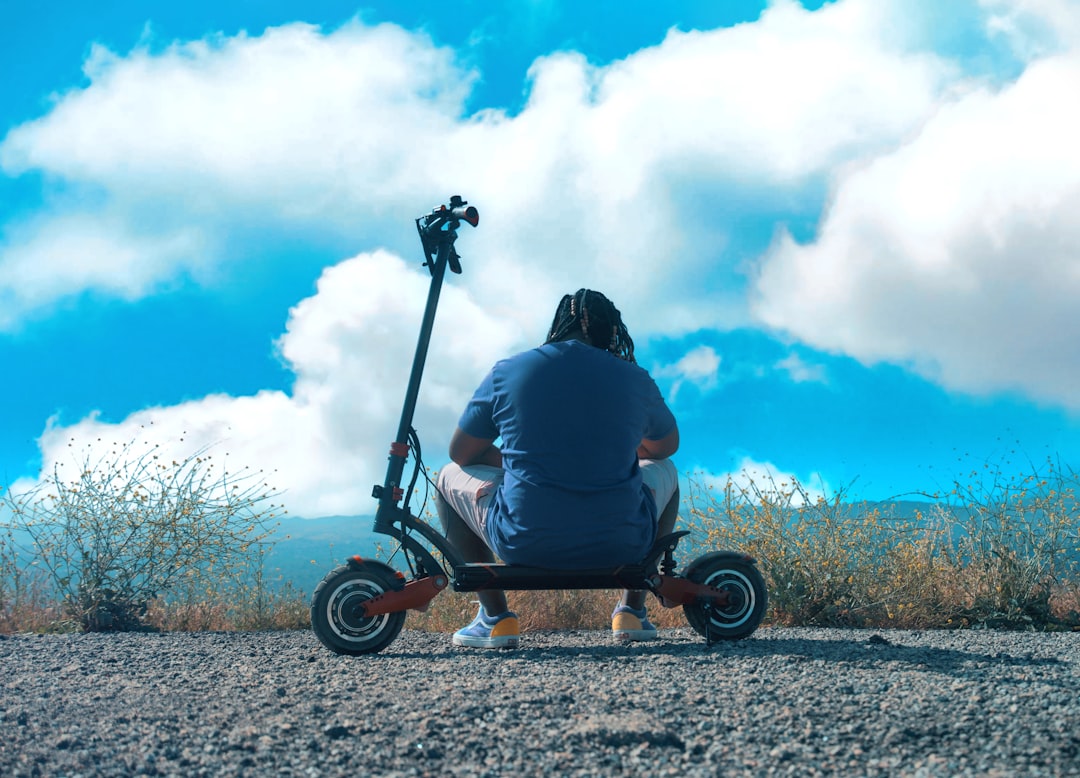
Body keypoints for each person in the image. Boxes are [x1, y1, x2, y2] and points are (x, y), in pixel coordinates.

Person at [435, 289, 680, 649]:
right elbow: (664, 447)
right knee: (667, 470)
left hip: (524, 541)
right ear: (611, 332)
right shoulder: (634, 378)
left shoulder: (508, 371)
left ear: (558, 327)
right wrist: (620, 447)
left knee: (445, 477)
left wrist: (518, 463)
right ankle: (632, 611)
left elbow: (462, 453)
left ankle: (495, 618)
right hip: (622, 541)